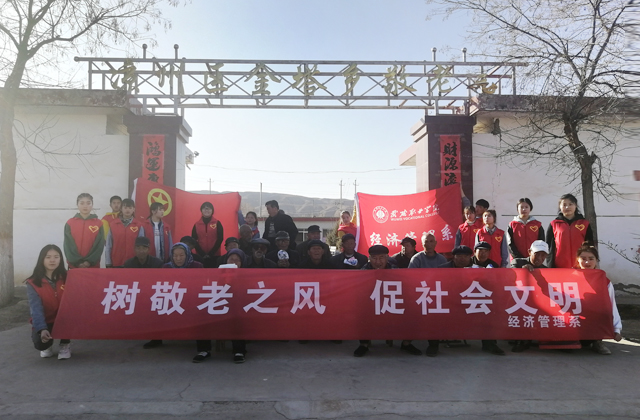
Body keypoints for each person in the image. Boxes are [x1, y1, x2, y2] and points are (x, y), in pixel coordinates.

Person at [355, 245, 421, 357]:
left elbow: (405, 287)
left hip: (392, 302)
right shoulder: (363, 271)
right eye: (374, 258)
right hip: (371, 304)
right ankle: (364, 344)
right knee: (361, 314)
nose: (378, 262)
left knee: (413, 313)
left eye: (381, 258)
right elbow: (359, 293)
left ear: (387, 258)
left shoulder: (395, 270)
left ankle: (406, 344)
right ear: (369, 258)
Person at [162, 243, 209, 363]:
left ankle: (204, 350)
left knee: (202, 314)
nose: (178, 258)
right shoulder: (166, 268)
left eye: (181, 255)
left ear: (187, 254)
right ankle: (156, 339)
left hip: (193, 300)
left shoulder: (197, 266)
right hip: (173, 300)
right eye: (175, 255)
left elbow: (203, 285)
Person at [425, 245, 475, 357]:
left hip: (470, 302)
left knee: (489, 312)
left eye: (466, 256)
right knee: (434, 314)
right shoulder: (442, 269)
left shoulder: (476, 269)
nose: (462, 259)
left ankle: (489, 344)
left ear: (470, 257)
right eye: (459, 256)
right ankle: (433, 345)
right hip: (448, 302)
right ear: (453, 257)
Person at [576, 242, 622, 355]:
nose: (587, 262)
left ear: (596, 260)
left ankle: (597, 341)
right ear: (578, 260)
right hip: (575, 319)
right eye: (583, 259)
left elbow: (611, 305)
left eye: (591, 259)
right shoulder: (568, 277)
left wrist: (617, 329)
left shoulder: (604, 282)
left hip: (594, 321)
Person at [25, 245, 71, 359]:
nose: (52, 260)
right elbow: (35, 308)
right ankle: (47, 345)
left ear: (61, 259)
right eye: (48, 257)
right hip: (46, 320)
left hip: (64, 319)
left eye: (56, 257)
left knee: (70, 314)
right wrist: (42, 328)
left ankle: (65, 344)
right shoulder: (33, 283)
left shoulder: (68, 277)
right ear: (42, 259)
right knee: (40, 344)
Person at [509, 240, 549, 353]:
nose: (539, 258)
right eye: (537, 254)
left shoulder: (547, 270)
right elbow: (511, 276)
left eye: (543, 255)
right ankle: (521, 340)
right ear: (529, 252)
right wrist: (522, 271)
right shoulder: (518, 262)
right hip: (518, 299)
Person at [123, 237, 163, 349]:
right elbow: (125, 281)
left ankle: (157, 338)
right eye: (138, 248)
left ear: (149, 249)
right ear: (134, 249)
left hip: (153, 294)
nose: (141, 251)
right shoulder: (128, 263)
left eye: (144, 248)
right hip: (135, 293)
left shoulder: (157, 263)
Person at [546, 193, 594, 268]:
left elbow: (590, 245)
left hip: (580, 265)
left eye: (570, 204)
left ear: (575, 205)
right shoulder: (554, 224)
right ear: (560, 207)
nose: (567, 207)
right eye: (564, 205)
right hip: (559, 265)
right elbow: (548, 246)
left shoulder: (584, 223)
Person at [217, 248, 249, 363]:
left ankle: (239, 351)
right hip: (219, 305)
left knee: (237, 318)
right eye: (231, 259)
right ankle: (203, 350)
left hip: (238, 307)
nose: (234, 262)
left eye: (237, 260)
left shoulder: (248, 275)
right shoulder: (218, 273)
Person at [63, 193, 105, 269]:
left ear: (92, 205)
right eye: (82, 203)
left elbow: (99, 245)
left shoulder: (99, 223)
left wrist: (89, 261)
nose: (85, 206)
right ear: (77, 204)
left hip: (93, 266)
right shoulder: (70, 223)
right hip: (74, 266)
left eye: (88, 203)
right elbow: (68, 245)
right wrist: (77, 262)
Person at [105, 198, 144, 268]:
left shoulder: (138, 225)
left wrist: (141, 261)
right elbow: (108, 245)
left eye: (130, 208)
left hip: (134, 262)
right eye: (125, 208)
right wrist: (108, 262)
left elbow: (141, 246)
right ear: (121, 209)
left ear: (134, 209)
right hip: (116, 262)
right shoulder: (113, 224)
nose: (127, 210)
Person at [191, 201, 224, 268]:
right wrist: (202, 253)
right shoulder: (196, 224)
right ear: (201, 211)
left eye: (209, 208)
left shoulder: (217, 223)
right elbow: (194, 240)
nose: (206, 210)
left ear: (212, 211)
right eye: (204, 208)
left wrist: (211, 253)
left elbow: (220, 239)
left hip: (215, 255)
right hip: (200, 255)